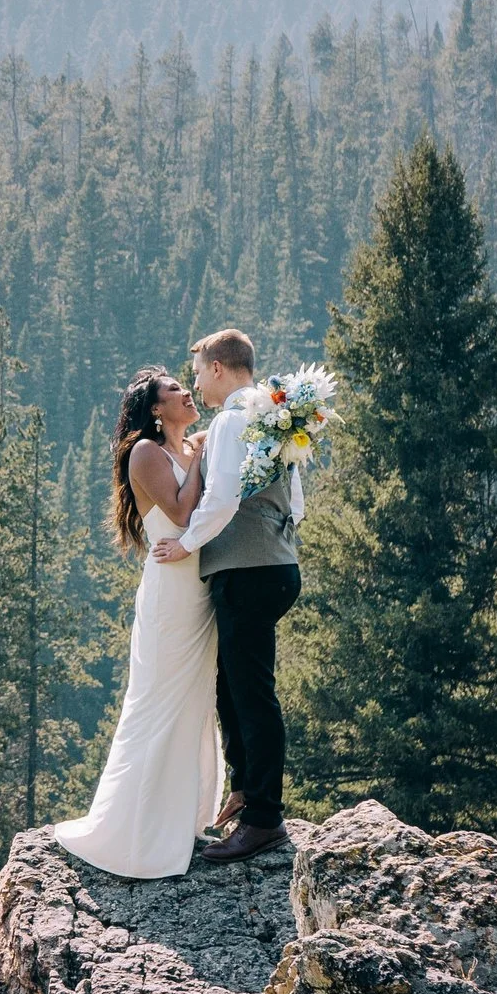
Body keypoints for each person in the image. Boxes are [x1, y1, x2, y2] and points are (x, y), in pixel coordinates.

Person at [51, 367, 224, 878]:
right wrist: (199, 458)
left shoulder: (188, 447)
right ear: (154, 409)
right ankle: (133, 831)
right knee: (158, 699)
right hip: (171, 590)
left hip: (200, 586)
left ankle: (180, 819)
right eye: (174, 389)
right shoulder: (145, 453)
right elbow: (181, 510)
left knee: (194, 699)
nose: (186, 391)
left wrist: (199, 451)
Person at [152, 328, 301, 863]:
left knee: (252, 694)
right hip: (272, 563)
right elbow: (295, 494)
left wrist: (186, 543)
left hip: (248, 570)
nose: (195, 383)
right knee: (231, 687)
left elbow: (220, 499)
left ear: (218, 367)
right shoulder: (267, 414)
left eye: (196, 373)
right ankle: (246, 787)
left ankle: (264, 819)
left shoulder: (236, 420)